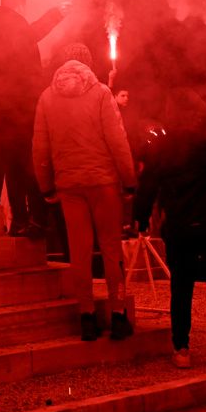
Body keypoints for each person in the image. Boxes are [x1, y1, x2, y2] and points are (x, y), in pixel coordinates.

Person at [33, 43, 136, 341]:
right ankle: (118, 315)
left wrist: (46, 185)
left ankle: (86, 316)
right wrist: (128, 180)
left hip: (69, 185)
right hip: (103, 182)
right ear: (88, 64)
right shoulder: (101, 93)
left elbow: (40, 147)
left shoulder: (46, 98)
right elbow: (117, 140)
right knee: (110, 248)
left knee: (79, 251)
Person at [135, 97, 206, 368]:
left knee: (181, 288)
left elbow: (148, 183)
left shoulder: (163, 148)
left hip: (180, 225)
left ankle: (181, 349)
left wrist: (140, 215)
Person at [0, 0, 66, 239]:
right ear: (18, 7)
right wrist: (57, 14)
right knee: (25, 162)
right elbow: (31, 34)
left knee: (3, 161)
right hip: (20, 107)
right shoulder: (12, 24)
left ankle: (3, 218)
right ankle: (35, 220)